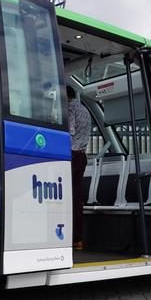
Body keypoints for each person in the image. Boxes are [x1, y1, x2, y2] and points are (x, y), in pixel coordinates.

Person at [67, 86, 91, 250]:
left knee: (64, 198)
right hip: (82, 156)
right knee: (76, 198)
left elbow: (70, 131)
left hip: (71, 156)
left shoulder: (69, 108)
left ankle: (66, 237)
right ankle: (78, 239)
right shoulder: (85, 110)